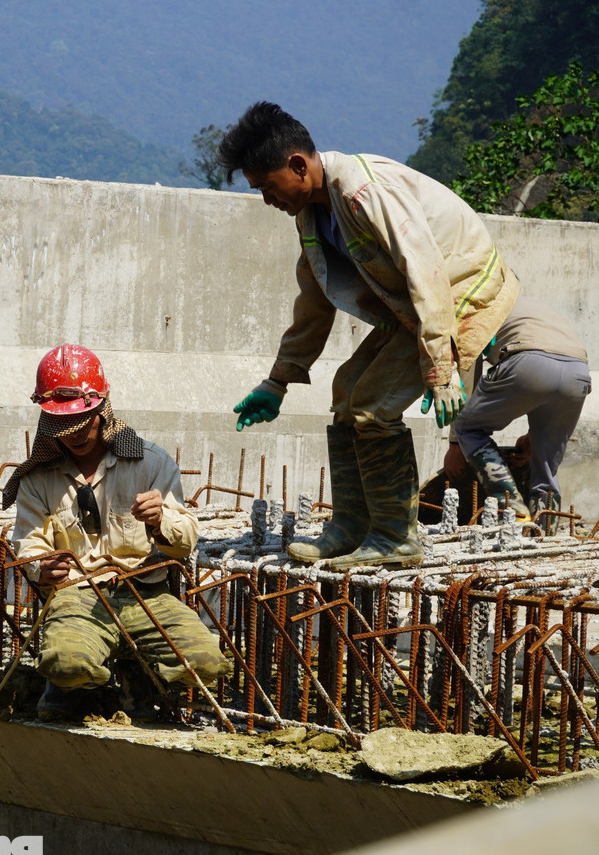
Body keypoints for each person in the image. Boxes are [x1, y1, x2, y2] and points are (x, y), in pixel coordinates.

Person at [219, 101, 519, 571]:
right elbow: (314, 303)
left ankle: (395, 537)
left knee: (372, 405)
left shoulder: (362, 192)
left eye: (267, 185)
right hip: (412, 305)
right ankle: (351, 527)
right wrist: (278, 380)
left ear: (297, 165)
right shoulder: (313, 216)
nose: (267, 199)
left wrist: (441, 366)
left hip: (457, 290)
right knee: (346, 393)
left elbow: (426, 272)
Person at [3, 344, 231, 720]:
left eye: (83, 422)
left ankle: (137, 671)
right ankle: (87, 689)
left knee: (205, 663)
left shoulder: (150, 463)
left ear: (103, 406)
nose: (74, 434)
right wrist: (39, 568)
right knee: (66, 663)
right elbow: (28, 541)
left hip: (146, 593)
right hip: (78, 595)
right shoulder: (38, 478)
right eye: (63, 426)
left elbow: (187, 540)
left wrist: (161, 521)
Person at [444, 297, 590, 533]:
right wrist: (535, 438)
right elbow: (555, 373)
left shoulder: (481, 307)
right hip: (579, 373)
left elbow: (468, 369)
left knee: (467, 428)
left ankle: (513, 510)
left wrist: (455, 445)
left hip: (528, 363)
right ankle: (545, 536)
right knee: (545, 467)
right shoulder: (535, 308)